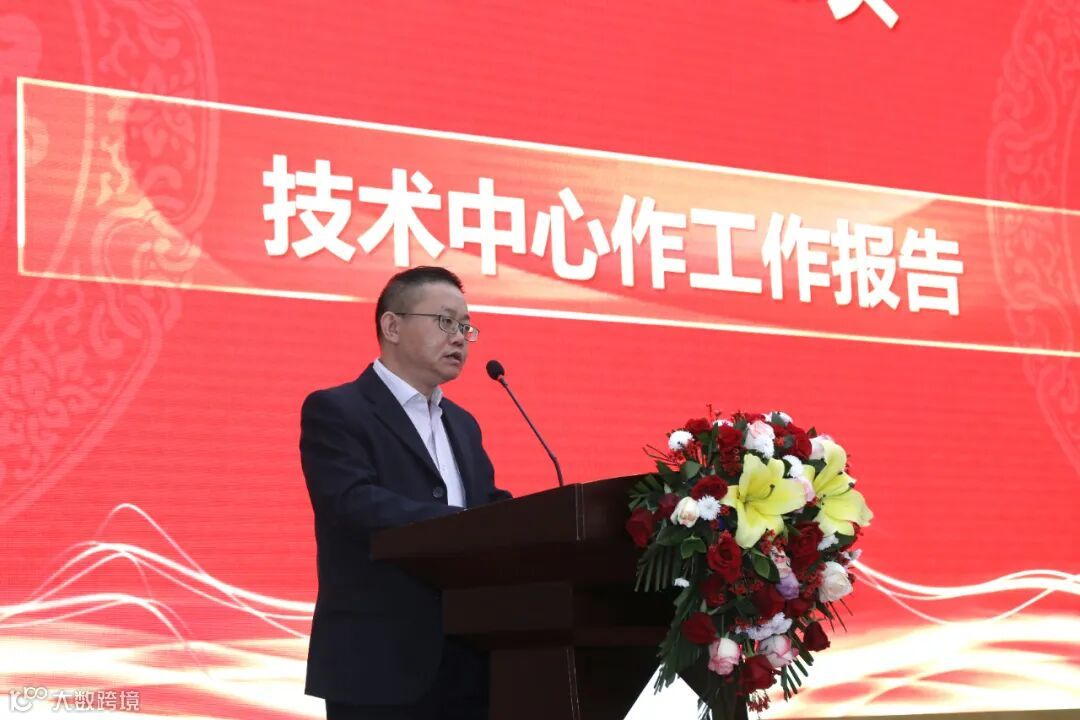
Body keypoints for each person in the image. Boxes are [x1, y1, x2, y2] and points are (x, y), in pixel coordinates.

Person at [299, 266, 511, 720]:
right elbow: (352, 503)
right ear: (392, 326)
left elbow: (487, 507)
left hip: (469, 665)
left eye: (466, 327)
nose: (460, 338)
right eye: (445, 321)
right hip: (378, 665)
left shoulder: (463, 424)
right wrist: (461, 525)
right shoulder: (337, 410)